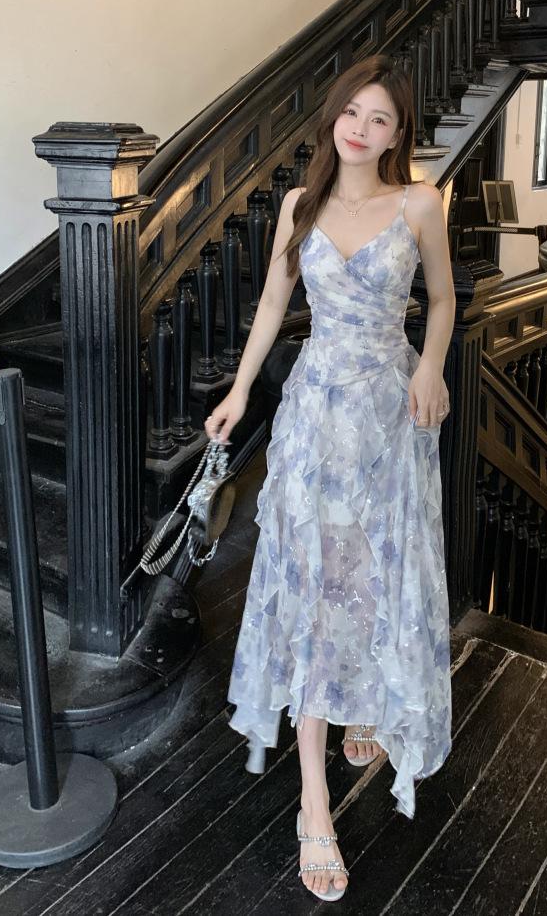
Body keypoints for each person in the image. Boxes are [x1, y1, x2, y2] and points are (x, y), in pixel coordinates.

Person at [204, 53, 456, 902]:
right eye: (352, 111)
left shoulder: (420, 203)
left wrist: (432, 365)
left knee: (374, 572)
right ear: (333, 117)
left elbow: (443, 300)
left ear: (397, 133)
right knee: (313, 584)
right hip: (314, 417)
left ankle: (363, 706)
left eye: (380, 118)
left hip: (387, 414)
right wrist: (240, 392)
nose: (361, 127)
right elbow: (274, 307)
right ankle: (314, 801)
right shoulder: (298, 206)